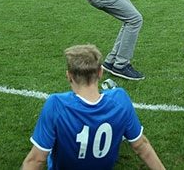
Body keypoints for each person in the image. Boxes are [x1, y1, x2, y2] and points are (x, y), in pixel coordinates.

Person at [21, 44, 165, 170]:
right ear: (100, 73)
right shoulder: (120, 99)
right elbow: (141, 146)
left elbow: (36, 160)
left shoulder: (56, 104)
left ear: (69, 76)